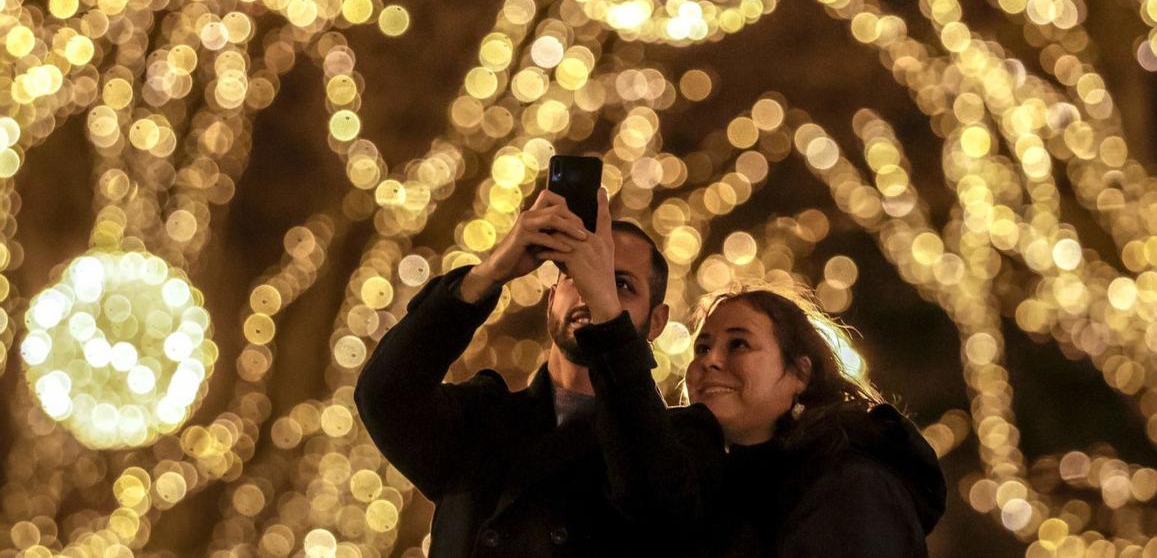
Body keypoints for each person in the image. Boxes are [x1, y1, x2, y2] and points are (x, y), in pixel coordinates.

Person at [354, 187, 722, 558]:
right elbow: (385, 394)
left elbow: (655, 504)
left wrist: (609, 322)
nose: (591, 292)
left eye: (620, 285)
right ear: (551, 300)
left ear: (657, 321)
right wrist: (489, 272)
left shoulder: (683, 441)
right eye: (577, 275)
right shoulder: (482, 421)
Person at [686, 289, 946, 557]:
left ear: (800, 373)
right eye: (702, 348)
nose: (709, 360)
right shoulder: (705, 492)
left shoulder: (851, 490)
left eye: (739, 344)